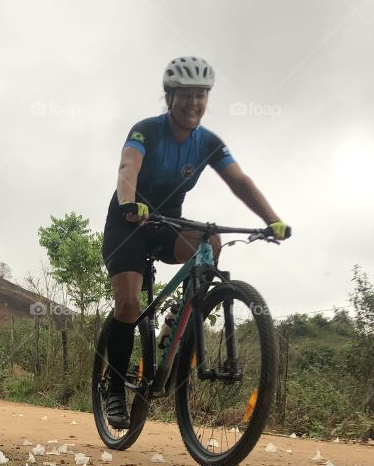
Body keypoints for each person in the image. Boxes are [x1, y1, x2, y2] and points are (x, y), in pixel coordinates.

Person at [100, 55, 290, 429]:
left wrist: (273, 220)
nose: (194, 103)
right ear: (169, 97)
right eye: (185, 95)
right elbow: (128, 166)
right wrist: (128, 203)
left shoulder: (208, 143)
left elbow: (239, 181)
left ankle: (182, 316)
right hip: (129, 224)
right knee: (128, 304)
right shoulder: (146, 131)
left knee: (211, 241)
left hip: (169, 224)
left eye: (201, 95)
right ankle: (114, 391)